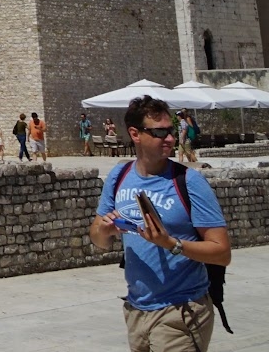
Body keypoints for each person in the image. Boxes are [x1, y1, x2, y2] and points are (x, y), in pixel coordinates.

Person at [90, 95, 231, 352]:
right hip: (136, 311)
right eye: (159, 132)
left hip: (181, 311)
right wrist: (106, 230)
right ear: (135, 134)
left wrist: (171, 243)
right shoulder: (119, 176)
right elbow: (97, 239)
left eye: (171, 131)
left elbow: (221, 253)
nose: (170, 138)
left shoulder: (188, 181)